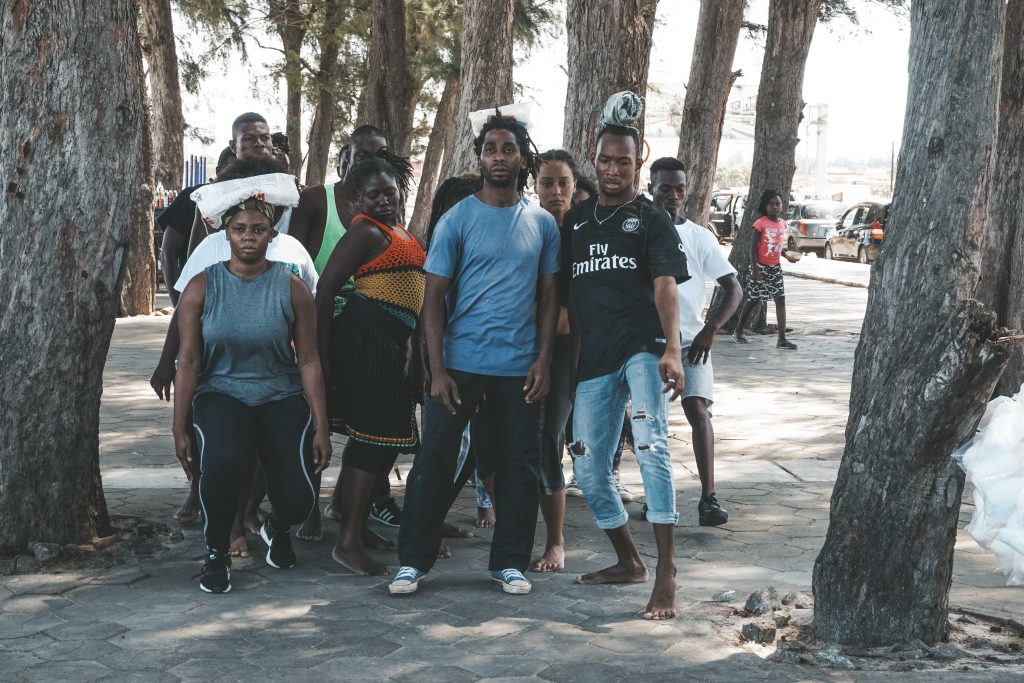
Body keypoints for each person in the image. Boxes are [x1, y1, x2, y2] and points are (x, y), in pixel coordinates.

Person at [389, 111, 560, 596]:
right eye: (491, 149)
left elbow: (549, 298)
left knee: (519, 464)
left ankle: (508, 562)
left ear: (523, 157)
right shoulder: (457, 219)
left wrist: (544, 359)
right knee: (436, 459)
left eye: (508, 149)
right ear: (479, 157)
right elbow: (434, 296)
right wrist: (436, 369)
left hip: (519, 366)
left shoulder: (542, 223)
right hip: (460, 365)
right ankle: (413, 563)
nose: (499, 157)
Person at [564, 92, 689, 620]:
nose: (614, 170)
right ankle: (628, 560)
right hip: (593, 357)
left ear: (639, 159)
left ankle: (665, 573)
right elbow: (562, 297)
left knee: (652, 444)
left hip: (642, 349)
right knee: (589, 469)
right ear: (594, 160)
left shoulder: (651, 219)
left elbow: (666, 288)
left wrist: (674, 352)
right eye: (605, 160)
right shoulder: (574, 222)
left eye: (623, 160)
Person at [172, 195, 332, 594]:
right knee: (223, 463)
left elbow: (309, 361)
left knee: (299, 497)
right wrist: (179, 428)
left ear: (271, 235)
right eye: (239, 229)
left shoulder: (291, 287)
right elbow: (188, 361)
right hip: (221, 392)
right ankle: (216, 554)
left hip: (279, 393)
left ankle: (275, 529)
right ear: (226, 234)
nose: (248, 237)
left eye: (257, 230)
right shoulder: (202, 286)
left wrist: (322, 427)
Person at [288, 124, 403, 542]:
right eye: (361, 156)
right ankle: (308, 510)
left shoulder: (386, 201)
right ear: (343, 162)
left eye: (382, 156)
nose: (372, 164)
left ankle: (354, 505)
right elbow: (295, 261)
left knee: (370, 426)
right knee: (316, 420)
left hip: (373, 333)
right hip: (324, 323)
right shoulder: (318, 200)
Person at [314, 150, 426, 576]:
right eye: (374, 195)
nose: (384, 200)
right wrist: (322, 360)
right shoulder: (364, 232)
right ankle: (346, 542)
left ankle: (352, 523)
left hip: (392, 345)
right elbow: (324, 292)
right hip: (364, 343)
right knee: (372, 440)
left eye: (390, 192)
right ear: (357, 200)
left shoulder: (399, 231)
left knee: (380, 441)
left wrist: (415, 352)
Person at [648, 157, 742, 526]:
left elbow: (733, 288)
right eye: (665, 188)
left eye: (679, 189)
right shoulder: (639, 230)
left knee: (699, 411)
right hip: (649, 340)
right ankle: (655, 498)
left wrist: (711, 328)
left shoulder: (699, 236)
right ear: (651, 187)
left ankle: (708, 499)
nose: (672, 195)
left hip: (690, 342)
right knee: (648, 421)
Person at [527, 149, 579, 573]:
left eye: (563, 183)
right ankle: (515, 527)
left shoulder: (581, 235)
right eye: (547, 183)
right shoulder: (529, 229)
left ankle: (556, 543)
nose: (555, 191)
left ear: (574, 187)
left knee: (548, 442)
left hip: (566, 354)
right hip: (521, 349)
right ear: (535, 186)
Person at [159, 146, 234, 306]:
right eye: (232, 170)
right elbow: (168, 253)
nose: (236, 178)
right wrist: (179, 302)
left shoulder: (253, 203)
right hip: (198, 297)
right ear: (219, 170)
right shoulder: (192, 197)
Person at [733, 189, 797, 349]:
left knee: (780, 299)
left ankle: (781, 339)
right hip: (760, 267)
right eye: (771, 204)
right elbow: (753, 248)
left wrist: (786, 254)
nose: (775, 207)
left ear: (782, 206)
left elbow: (776, 245)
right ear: (765, 206)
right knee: (754, 299)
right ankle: (738, 330)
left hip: (775, 268)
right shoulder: (760, 223)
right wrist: (755, 269)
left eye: (778, 204)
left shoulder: (783, 224)